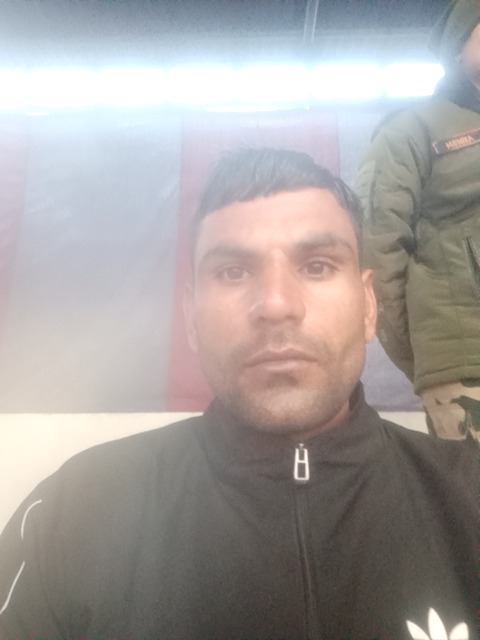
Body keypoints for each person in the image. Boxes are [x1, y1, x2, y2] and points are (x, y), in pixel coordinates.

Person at [0, 148, 477, 639]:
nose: (276, 304)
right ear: (191, 318)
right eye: (232, 271)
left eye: (316, 266)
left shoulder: (469, 494)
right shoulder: (74, 511)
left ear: (368, 307)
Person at [356, 0, 480, 441]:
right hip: (466, 363)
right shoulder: (411, 129)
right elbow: (378, 249)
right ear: (456, 45)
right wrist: (422, 356)